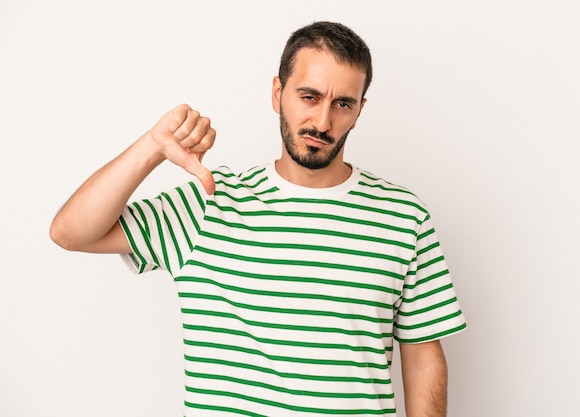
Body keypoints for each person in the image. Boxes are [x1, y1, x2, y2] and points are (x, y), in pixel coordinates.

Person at [50, 21, 466, 417]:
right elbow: (70, 232)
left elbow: (423, 354)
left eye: (343, 104)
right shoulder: (209, 201)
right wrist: (152, 148)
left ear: (360, 110)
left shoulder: (403, 215)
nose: (323, 122)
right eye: (309, 96)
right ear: (277, 93)